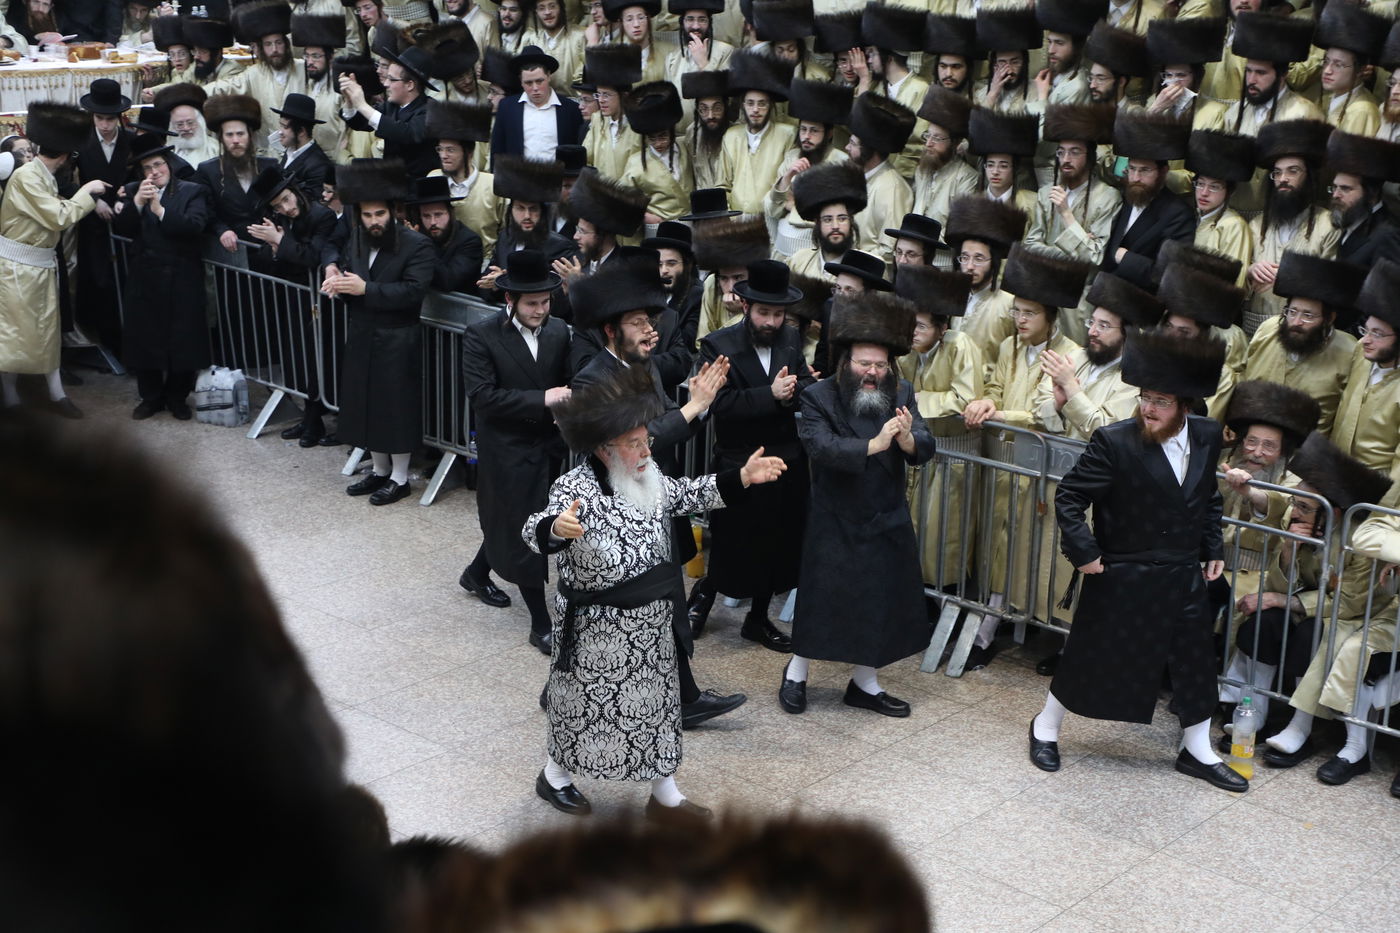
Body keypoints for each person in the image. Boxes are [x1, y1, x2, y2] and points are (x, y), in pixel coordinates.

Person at [524, 364, 785, 818]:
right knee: (580, 707)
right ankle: (554, 776)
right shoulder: (574, 486)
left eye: (646, 440)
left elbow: (684, 495)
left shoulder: (649, 473)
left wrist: (740, 479)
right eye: (635, 443)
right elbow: (533, 529)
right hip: (595, 627)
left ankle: (665, 796)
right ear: (606, 448)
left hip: (653, 622)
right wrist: (556, 529)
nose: (646, 449)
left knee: (658, 709)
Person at [1030, 328, 1242, 791]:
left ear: (1185, 405)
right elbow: (1069, 497)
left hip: (1183, 572)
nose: (1148, 408)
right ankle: (1045, 726)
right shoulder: (1115, 440)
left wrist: (1213, 548)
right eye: (1145, 397)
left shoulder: (1207, 436)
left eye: (1161, 401)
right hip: (1122, 568)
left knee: (1194, 660)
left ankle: (1198, 751)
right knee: (1089, 654)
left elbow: (1208, 498)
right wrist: (1084, 554)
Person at [779, 290, 935, 717]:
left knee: (879, 601)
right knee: (822, 599)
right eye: (865, 364)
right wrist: (874, 444)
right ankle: (796, 673)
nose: (872, 373)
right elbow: (821, 446)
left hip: (886, 514)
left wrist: (906, 439)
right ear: (846, 361)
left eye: (880, 365)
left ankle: (865, 683)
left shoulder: (900, 389)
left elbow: (925, 442)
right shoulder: (819, 397)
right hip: (836, 515)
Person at [1253, 432, 1394, 785]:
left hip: (1360, 614)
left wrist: (1288, 602)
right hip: (1325, 607)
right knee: (1262, 620)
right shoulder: (1301, 523)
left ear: (1333, 512)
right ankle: (1253, 712)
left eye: (1303, 506)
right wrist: (1288, 549)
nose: (1293, 511)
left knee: (1327, 637)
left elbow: (1348, 603)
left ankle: (1311, 731)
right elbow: (1274, 586)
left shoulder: (1361, 542)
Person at [690, 260, 814, 651]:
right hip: (739, 461)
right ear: (745, 306)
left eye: (778, 314)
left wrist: (805, 387)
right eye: (764, 313)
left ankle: (757, 619)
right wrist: (770, 396)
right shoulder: (718, 345)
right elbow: (717, 404)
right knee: (732, 543)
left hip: (786, 461)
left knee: (778, 546)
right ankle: (702, 599)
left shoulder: (791, 339)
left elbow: (804, 383)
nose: (772, 321)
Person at [462, 250, 572, 652]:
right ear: (509, 300)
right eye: (532, 304)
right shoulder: (481, 334)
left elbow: (568, 381)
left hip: (548, 446)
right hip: (505, 448)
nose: (540, 310)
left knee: (516, 520)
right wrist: (542, 398)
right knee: (528, 529)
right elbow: (483, 396)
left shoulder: (560, 331)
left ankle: (476, 572)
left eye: (546, 302)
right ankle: (540, 622)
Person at [321, 158, 436, 505]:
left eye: (379, 215)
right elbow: (343, 266)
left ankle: (400, 477)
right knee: (366, 404)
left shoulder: (417, 245)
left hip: (398, 338)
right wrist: (337, 283)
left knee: (395, 408)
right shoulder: (356, 238)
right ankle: (380, 469)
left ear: (392, 213)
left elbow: (414, 291)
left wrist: (364, 290)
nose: (373, 222)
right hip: (363, 333)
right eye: (368, 216)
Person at [0, 103, 109, 417]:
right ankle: (10, 398)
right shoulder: (27, 178)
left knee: (47, 332)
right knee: (16, 335)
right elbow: (61, 216)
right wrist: (88, 191)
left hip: (40, 265)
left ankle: (55, 393)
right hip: (17, 269)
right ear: (65, 157)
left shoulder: (41, 175)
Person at [113, 133, 212, 422]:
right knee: (146, 340)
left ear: (168, 164)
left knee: (184, 341)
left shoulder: (192, 191)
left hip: (182, 276)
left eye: (158, 165)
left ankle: (177, 397)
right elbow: (124, 227)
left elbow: (194, 227)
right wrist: (139, 204)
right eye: (147, 168)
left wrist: (159, 209)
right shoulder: (134, 190)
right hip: (145, 277)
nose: (154, 172)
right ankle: (151, 397)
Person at [246, 166, 339, 447]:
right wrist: (275, 248)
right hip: (290, 295)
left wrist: (279, 241)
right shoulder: (277, 219)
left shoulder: (321, 216)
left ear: (295, 191)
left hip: (317, 299)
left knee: (314, 359)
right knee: (295, 357)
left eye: (287, 199)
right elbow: (262, 258)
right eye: (278, 205)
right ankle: (309, 415)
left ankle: (314, 417)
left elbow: (314, 256)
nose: (286, 208)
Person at [1023, 102, 1120, 344]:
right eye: (1061, 152)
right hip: (1043, 292)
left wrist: (1066, 214)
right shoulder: (1047, 192)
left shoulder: (1108, 196)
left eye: (1075, 152)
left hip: (1079, 301)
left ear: (1090, 156)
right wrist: (1072, 250)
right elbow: (1030, 245)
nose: (1066, 159)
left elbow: (1095, 258)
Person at [1242, 250, 1362, 437]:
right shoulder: (1269, 328)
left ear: (1329, 318)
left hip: (1307, 454)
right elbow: (1243, 375)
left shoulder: (1349, 351)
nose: (1296, 322)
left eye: (1308, 315)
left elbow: (1347, 416)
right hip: (1253, 441)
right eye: (1292, 311)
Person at [1101, 108, 1196, 290]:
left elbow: (1168, 274)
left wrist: (1126, 258)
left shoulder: (1178, 214)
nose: (1136, 177)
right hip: (1106, 291)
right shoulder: (1122, 198)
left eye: (1145, 170)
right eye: (1132, 168)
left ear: (1163, 172)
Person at [75, 78, 135, 354]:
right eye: (100, 118)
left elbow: (141, 175)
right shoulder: (80, 141)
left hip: (125, 226)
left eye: (111, 119)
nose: (106, 125)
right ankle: (109, 343)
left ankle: (129, 343)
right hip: (93, 226)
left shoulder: (131, 141)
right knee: (100, 282)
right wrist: (92, 200)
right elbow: (67, 181)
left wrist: (127, 198)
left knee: (127, 282)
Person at [944, 194, 1026, 372]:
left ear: (994, 262)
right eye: (964, 258)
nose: (970, 266)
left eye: (979, 258)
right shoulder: (951, 297)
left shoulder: (1008, 304)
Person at [195, 94, 280, 260]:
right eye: (229, 135)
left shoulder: (270, 166)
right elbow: (206, 210)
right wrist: (222, 230)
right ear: (221, 138)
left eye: (240, 134)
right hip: (231, 252)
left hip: (267, 250)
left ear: (250, 136)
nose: (235, 140)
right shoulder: (207, 170)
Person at [717, 48, 796, 215]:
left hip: (771, 217)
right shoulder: (732, 136)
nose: (755, 110)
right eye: (750, 103)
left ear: (770, 106)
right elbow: (723, 185)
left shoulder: (787, 134)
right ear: (743, 105)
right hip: (736, 221)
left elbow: (787, 183)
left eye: (762, 104)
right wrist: (730, 218)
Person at [342, 44, 439, 176]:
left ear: (410, 85)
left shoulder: (431, 109)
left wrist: (362, 104)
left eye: (392, 79)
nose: (386, 84)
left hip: (419, 189)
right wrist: (350, 102)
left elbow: (407, 134)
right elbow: (360, 123)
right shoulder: (391, 106)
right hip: (392, 185)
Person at [844, 91, 916, 265]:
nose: (846, 147)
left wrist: (850, 262)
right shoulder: (858, 176)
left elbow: (888, 250)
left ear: (870, 150)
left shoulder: (892, 188)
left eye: (853, 144)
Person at [490, 44, 585, 165]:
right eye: (529, 83)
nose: (535, 88)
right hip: (518, 179)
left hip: (557, 179)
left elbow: (577, 150)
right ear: (521, 82)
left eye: (539, 81)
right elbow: (497, 150)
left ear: (549, 76)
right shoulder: (507, 107)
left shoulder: (570, 109)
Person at [1184, 128, 1255, 288]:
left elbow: (1234, 280)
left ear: (1229, 191)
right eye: (1200, 184)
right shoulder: (1189, 216)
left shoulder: (1233, 225)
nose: (1204, 193)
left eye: (1214, 187)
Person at [786, 160, 866, 282]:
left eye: (842, 219)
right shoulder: (798, 262)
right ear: (818, 223)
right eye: (828, 220)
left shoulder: (866, 267)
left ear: (851, 222)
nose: (835, 226)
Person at [912, 87, 979, 230]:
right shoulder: (922, 170)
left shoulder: (966, 177)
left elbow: (958, 228)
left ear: (955, 143)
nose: (929, 143)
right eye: (927, 136)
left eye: (937, 138)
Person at [404, 175, 484, 294]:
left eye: (438, 214)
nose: (433, 222)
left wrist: (421, 247)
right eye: (426, 216)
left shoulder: (470, 241)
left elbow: (449, 281)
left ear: (450, 213)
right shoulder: (416, 235)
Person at [273, 92, 332, 203]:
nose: (279, 132)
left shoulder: (318, 166)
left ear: (301, 131)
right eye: (280, 125)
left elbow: (310, 206)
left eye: (285, 127)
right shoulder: (289, 150)